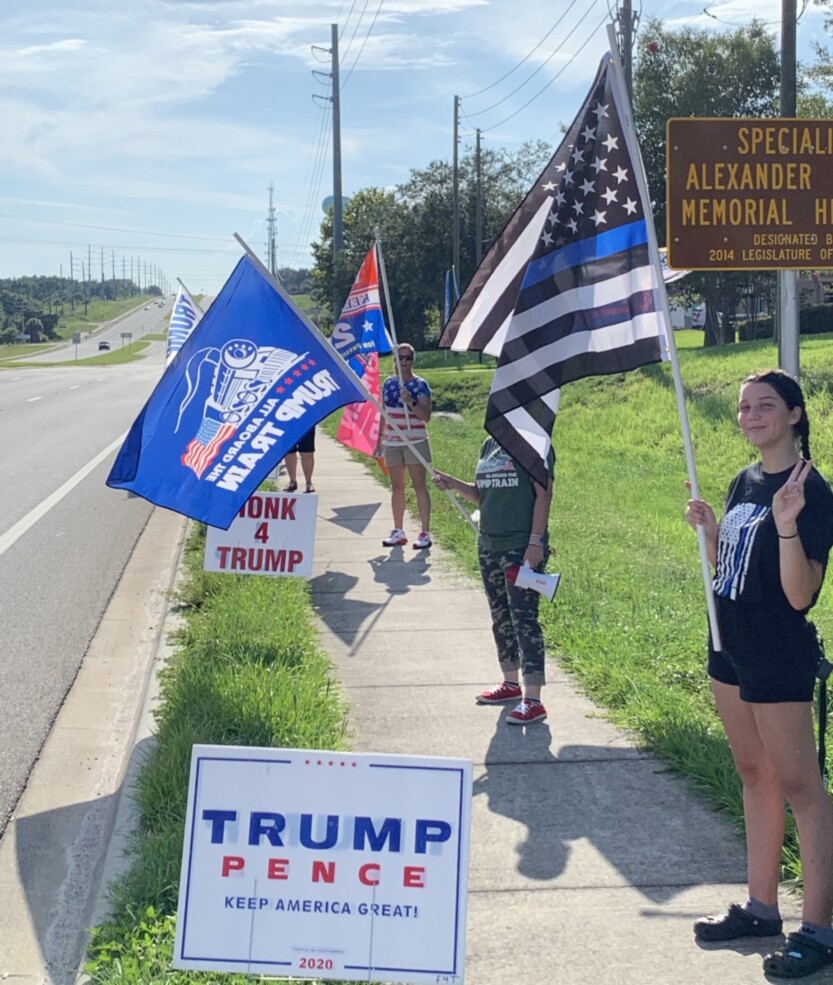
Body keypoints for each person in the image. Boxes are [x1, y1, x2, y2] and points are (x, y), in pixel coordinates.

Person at [685, 369, 833, 979]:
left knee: (802, 787)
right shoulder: (743, 481)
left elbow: (800, 595)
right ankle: (761, 909)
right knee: (754, 774)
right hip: (729, 645)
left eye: (765, 406)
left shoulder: (810, 489)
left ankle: (819, 931)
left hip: (776, 651)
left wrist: (789, 522)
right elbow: (733, 567)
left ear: (794, 414)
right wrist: (712, 533)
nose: (751, 416)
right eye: (745, 407)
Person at [433, 435, 554, 725]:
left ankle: (533, 698)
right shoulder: (490, 444)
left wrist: (535, 542)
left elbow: (544, 495)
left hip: (520, 547)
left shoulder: (535, 442)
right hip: (489, 544)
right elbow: (481, 495)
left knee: (524, 618)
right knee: (500, 616)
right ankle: (510, 682)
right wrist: (453, 483)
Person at [374, 343, 433, 550]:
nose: (404, 362)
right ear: (395, 361)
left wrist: (410, 401)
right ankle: (398, 530)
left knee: (419, 485)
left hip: (415, 440)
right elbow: (384, 413)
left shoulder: (421, 385)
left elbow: (426, 416)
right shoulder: (389, 384)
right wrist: (379, 441)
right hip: (393, 441)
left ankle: (425, 532)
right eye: (400, 358)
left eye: (408, 358)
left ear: (413, 360)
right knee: (397, 487)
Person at [284, 426, 316, 493]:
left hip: (306, 422)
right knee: (289, 451)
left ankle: (308, 482)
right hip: (287, 422)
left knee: (307, 452)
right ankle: (292, 481)